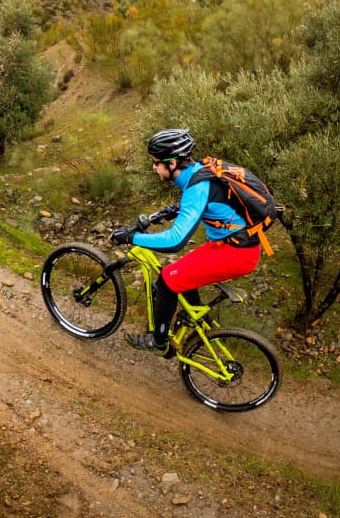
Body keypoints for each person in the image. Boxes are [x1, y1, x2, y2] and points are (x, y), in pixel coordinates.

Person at [110, 128, 263, 355]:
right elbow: (215, 202)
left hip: (236, 254)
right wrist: (174, 210)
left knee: (166, 281)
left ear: (172, 164)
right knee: (178, 272)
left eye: (156, 162)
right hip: (231, 245)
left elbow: (175, 241)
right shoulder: (200, 169)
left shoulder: (196, 187)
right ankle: (196, 320)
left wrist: (132, 237)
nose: (154, 167)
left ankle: (159, 342)